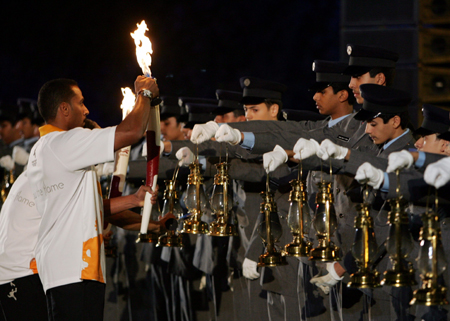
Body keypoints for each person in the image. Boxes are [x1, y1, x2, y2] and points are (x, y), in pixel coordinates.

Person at [27, 76, 159, 320]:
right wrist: (145, 95)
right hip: (74, 269)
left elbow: (88, 207)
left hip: (64, 268)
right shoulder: (64, 142)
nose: (86, 110)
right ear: (64, 109)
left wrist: (135, 201)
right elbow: (131, 131)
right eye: (81, 103)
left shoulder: (44, 147)